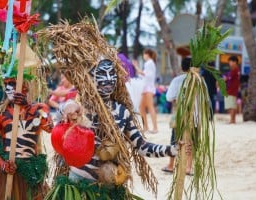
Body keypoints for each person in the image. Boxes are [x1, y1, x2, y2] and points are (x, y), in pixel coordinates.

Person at [38, 22, 190, 199]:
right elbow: (61, 117)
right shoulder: (80, 106)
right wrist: (66, 108)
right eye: (102, 75)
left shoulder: (122, 111)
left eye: (112, 75)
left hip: (107, 187)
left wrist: (170, 150)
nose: (108, 80)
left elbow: (141, 146)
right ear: (91, 78)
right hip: (78, 184)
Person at [0, 77, 53, 200]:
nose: (8, 88)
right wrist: (2, 165)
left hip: (31, 172)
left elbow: (50, 128)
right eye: (6, 84)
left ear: (25, 86)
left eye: (13, 84)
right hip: (8, 172)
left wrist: (27, 106)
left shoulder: (39, 109)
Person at [162, 57, 193, 175]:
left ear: (182, 67)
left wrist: (177, 97)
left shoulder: (177, 80)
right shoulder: (199, 81)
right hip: (195, 115)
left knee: (175, 139)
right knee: (191, 140)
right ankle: (188, 167)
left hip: (180, 114)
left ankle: (171, 165)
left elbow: (169, 97)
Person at [133, 49, 158, 133]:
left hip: (147, 87)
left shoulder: (149, 63)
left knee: (150, 107)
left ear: (147, 54)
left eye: (144, 54)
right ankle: (146, 127)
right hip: (146, 87)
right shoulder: (150, 63)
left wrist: (136, 66)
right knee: (142, 107)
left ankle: (155, 128)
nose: (143, 56)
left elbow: (145, 74)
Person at [223, 56, 240, 124]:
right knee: (232, 105)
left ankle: (232, 120)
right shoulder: (236, 70)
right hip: (233, 90)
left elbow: (227, 78)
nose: (229, 63)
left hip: (231, 90)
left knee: (231, 106)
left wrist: (222, 80)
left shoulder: (234, 70)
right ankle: (233, 120)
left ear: (235, 62)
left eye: (230, 61)